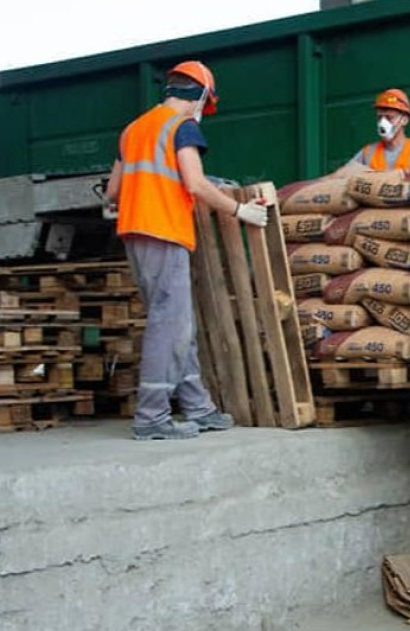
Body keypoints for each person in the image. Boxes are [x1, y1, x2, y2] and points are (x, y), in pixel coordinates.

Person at [104, 60, 268, 441]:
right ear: (200, 97)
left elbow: (114, 191)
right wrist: (239, 209)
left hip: (134, 232)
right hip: (164, 231)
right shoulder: (183, 127)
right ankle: (151, 417)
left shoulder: (133, 129)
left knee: (177, 321)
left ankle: (198, 407)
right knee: (168, 323)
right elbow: (193, 184)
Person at [327, 88, 410, 178]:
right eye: (379, 117)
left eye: (389, 117)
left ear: (404, 120)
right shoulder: (367, 153)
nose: (383, 123)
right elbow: (343, 175)